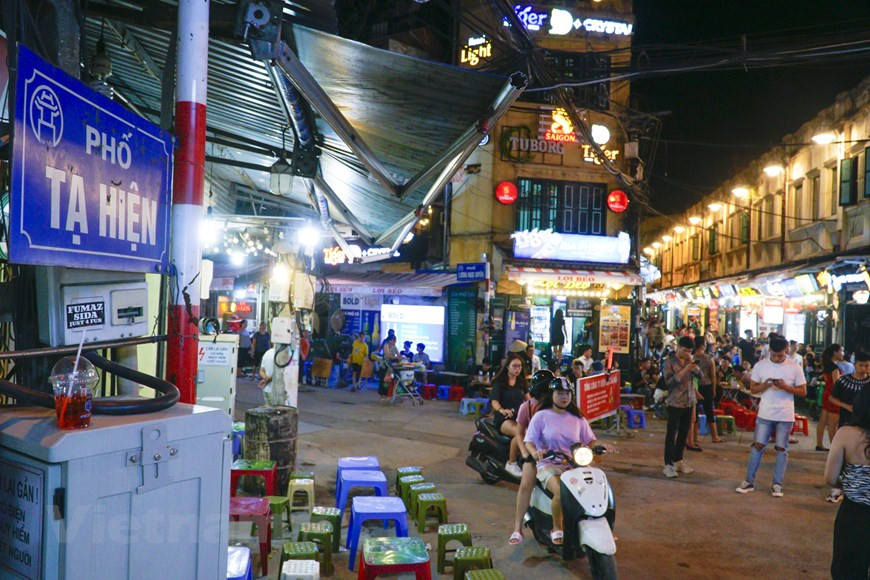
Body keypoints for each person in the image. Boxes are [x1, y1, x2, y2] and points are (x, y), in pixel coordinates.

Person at [524, 377, 610, 545]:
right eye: (560, 393)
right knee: (561, 491)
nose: (564, 397)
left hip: (575, 463)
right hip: (549, 464)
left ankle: (598, 524)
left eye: (567, 393)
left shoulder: (578, 418)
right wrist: (535, 452)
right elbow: (529, 441)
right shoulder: (541, 416)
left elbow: (590, 440)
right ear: (552, 394)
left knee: (597, 487)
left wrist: (600, 445)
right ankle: (557, 528)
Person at [735, 336, 807, 497]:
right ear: (769, 351)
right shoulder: (760, 366)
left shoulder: (794, 367)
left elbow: (803, 391)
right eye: (773, 355)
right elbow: (753, 389)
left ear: (786, 351)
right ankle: (749, 481)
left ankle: (777, 484)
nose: (776, 358)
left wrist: (785, 387)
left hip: (785, 414)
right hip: (765, 413)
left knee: (782, 449)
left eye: (780, 355)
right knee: (758, 446)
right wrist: (766, 384)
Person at [824, 390, 870, 579]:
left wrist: (852, 485)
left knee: (848, 571)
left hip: (855, 515)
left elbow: (830, 478)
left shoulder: (846, 433)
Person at [509, 369, 554, 545]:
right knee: (526, 484)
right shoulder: (526, 407)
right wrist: (526, 453)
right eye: (541, 394)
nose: (542, 398)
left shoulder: (559, 406)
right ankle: (517, 528)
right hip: (533, 452)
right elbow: (520, 434)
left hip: (557, 454)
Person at [662, 336, 703, 478]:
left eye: (690, 351)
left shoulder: (690, 361)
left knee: (684, 432)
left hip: (689, 401)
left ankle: (678, 460)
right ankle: (668, 464)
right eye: (685, 350)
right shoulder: (668, 362)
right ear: (678, 347)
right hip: (675, 402)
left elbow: (701, 376)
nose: (687, 353)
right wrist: (685, 369)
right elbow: (670, 382)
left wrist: (694, 367)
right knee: (671, 433)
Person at [489, 353, 530, 478]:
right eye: (514, 366)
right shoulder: (499, 382)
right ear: (507, 367)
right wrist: (501, 410)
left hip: (519, 417)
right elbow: (494, 401)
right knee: (520, 432)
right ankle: (511, 463)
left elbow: (529, 400)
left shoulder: (521, 382)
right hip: (504, 419)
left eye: (519, 366)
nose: (517, 369)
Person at [693, 335, 724, 445]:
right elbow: (713, 376)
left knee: (694, 412)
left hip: (694, 387)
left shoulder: (691, 358)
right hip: (707, 386)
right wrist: (714, 388)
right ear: (702, 345)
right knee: (709, 411)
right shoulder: (708, 358)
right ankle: (715, 436)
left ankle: (695, 437)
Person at [817, 344, 844, 452]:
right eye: (841, 351)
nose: (842, 353)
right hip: (834, 395)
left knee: (823, 420)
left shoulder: (828, 365)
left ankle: (819, 444)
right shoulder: (834, 367)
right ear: (835, 352)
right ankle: (835, 448)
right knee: (833, 423)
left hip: (826, 394)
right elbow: (837, 384)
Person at [377, 335, 401, 400]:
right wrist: (396, 357)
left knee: (389, 380)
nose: (394, 342)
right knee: (383, 380)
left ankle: (389, 394)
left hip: (391, 366)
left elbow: (398, 353)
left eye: (395, 341)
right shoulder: (386, 345)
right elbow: (388, 355)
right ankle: (382, 395)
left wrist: (400, 357)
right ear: (390, 340)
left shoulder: (394, 346)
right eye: (393, 341)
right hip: (384, 365)